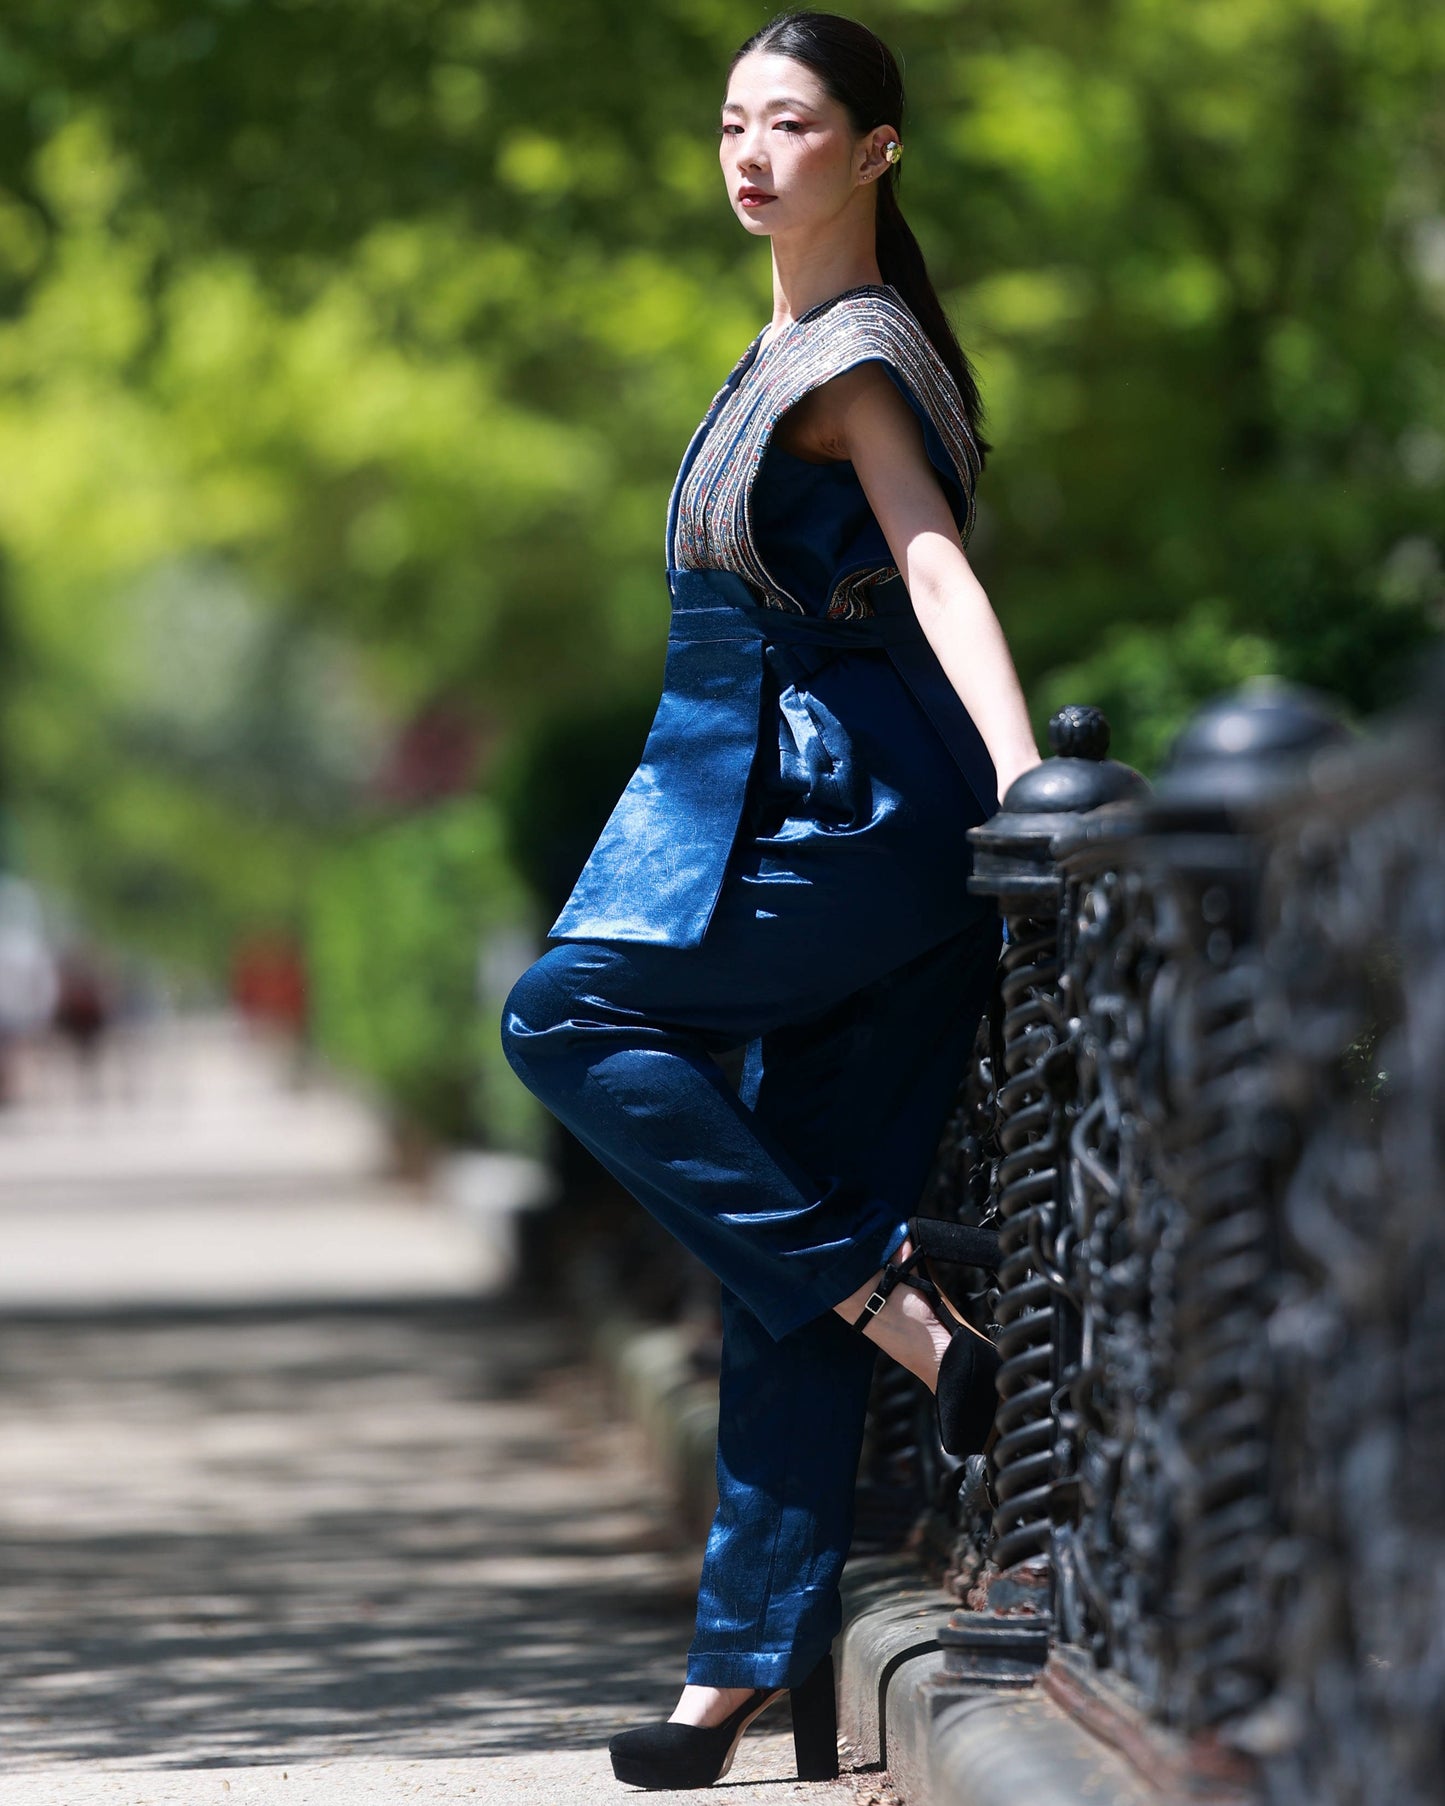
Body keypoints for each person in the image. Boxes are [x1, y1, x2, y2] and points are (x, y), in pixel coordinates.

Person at [501, 10, 1041, 1790]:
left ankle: (893, 1298)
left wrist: (1029, 780)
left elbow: (934, 564)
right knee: (781, 1247)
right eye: (730, 120)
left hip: (857, 828)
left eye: (789, 122)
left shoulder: (857, 357)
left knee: (562, 1013)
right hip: (790, 813)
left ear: (874, 148)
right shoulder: (791, 336)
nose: (747, 151)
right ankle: (735, 1679)